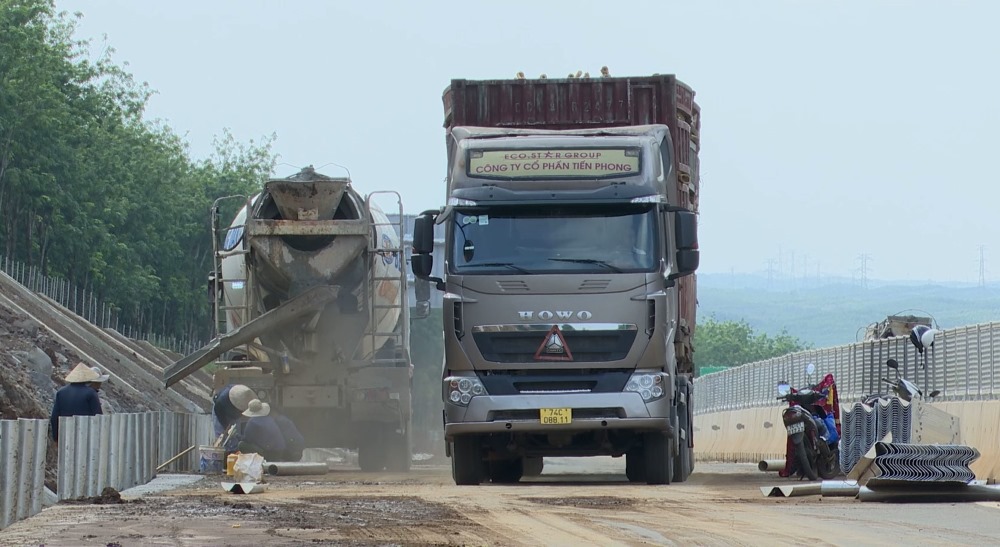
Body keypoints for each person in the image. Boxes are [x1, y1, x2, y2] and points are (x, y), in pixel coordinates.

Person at [49, 362, 103, 443]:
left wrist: (56, 438)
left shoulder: (61, 392)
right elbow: (98, 418)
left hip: (66, 436)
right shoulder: (91, 393)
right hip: (85, 437)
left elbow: (54, 418)